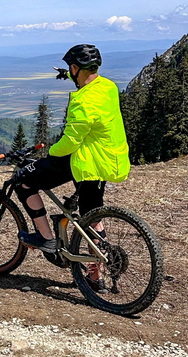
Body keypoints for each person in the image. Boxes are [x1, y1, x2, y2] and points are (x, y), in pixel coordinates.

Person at [15, 44, 131, 290]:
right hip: (107, 159)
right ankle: (94, 278)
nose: (70, 72)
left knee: (24, 181)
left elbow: (70, 142)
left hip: (86, 162)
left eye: (71, 68)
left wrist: (47, 155)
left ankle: (46, 238)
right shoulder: (108, 87)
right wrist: (67, 74)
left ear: (77, 68)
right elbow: (85, 79)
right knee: (92, 213)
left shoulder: (83, 102)